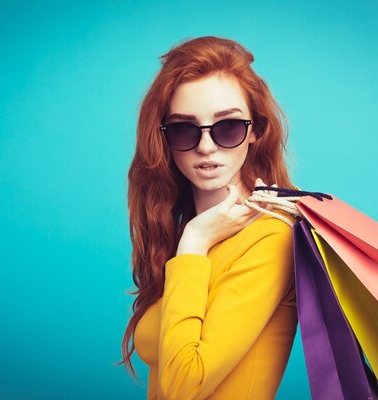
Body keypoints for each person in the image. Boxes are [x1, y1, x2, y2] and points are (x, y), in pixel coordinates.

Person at [119, 36, 298, 399]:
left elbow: (184, 386)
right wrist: (194, 239)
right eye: (184, 129)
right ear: (163, 140)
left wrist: (195, 242)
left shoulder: (270, 238)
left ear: (256, 132)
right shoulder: (189, 234)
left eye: (227, 127)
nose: (205, 146)